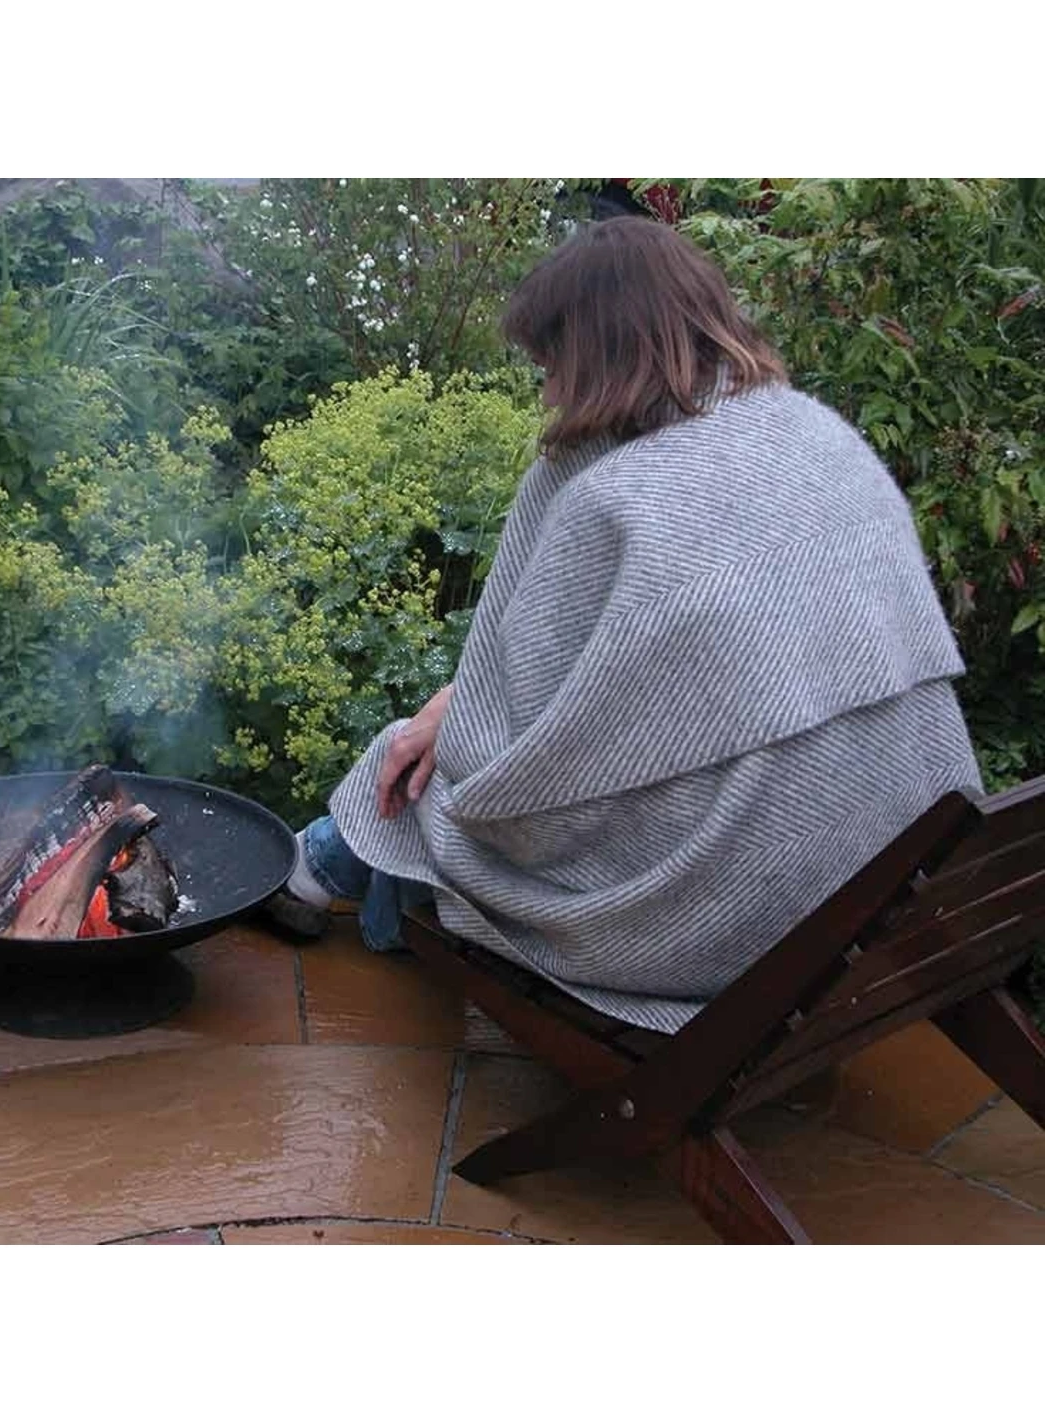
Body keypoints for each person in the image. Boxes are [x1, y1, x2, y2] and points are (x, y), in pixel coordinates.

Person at [265, 216, 982, 1034]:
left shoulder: (608, 491)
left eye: (551, 367)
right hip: (889, 867)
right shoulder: (819, 436)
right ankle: (322, 869)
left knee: (433, 776)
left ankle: (321, 874)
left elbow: (512, 763)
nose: (549, 396)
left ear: (598, 352)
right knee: (440, 741)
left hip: (725, 913)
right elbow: (697, 687)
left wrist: (448, 719)